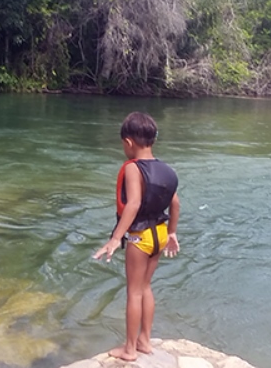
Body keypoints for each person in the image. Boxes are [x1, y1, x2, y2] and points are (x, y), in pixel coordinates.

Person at [92, 111, 181, 362]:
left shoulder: (133, 168)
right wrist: (172, 232)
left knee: (134, 291)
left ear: (128, 142)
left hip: (139, 238)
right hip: (160, 233)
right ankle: (145, 340)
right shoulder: (166, 170)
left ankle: (130, 349)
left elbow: (133, 205)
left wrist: (114, 239)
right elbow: (175, 204)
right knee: (145, 287)